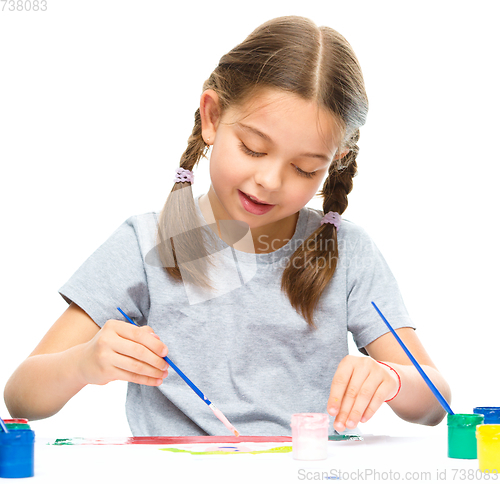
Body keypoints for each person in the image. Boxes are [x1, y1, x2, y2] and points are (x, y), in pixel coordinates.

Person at [4, 15, 451, 436]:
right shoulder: (147, 243)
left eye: (304, 169)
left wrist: (391, 378)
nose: (270, 181)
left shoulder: (346, 252)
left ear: (334, 164)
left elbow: (435, 403)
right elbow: (22, 397)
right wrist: (84, 363)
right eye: (254, 149)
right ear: (212, 117)